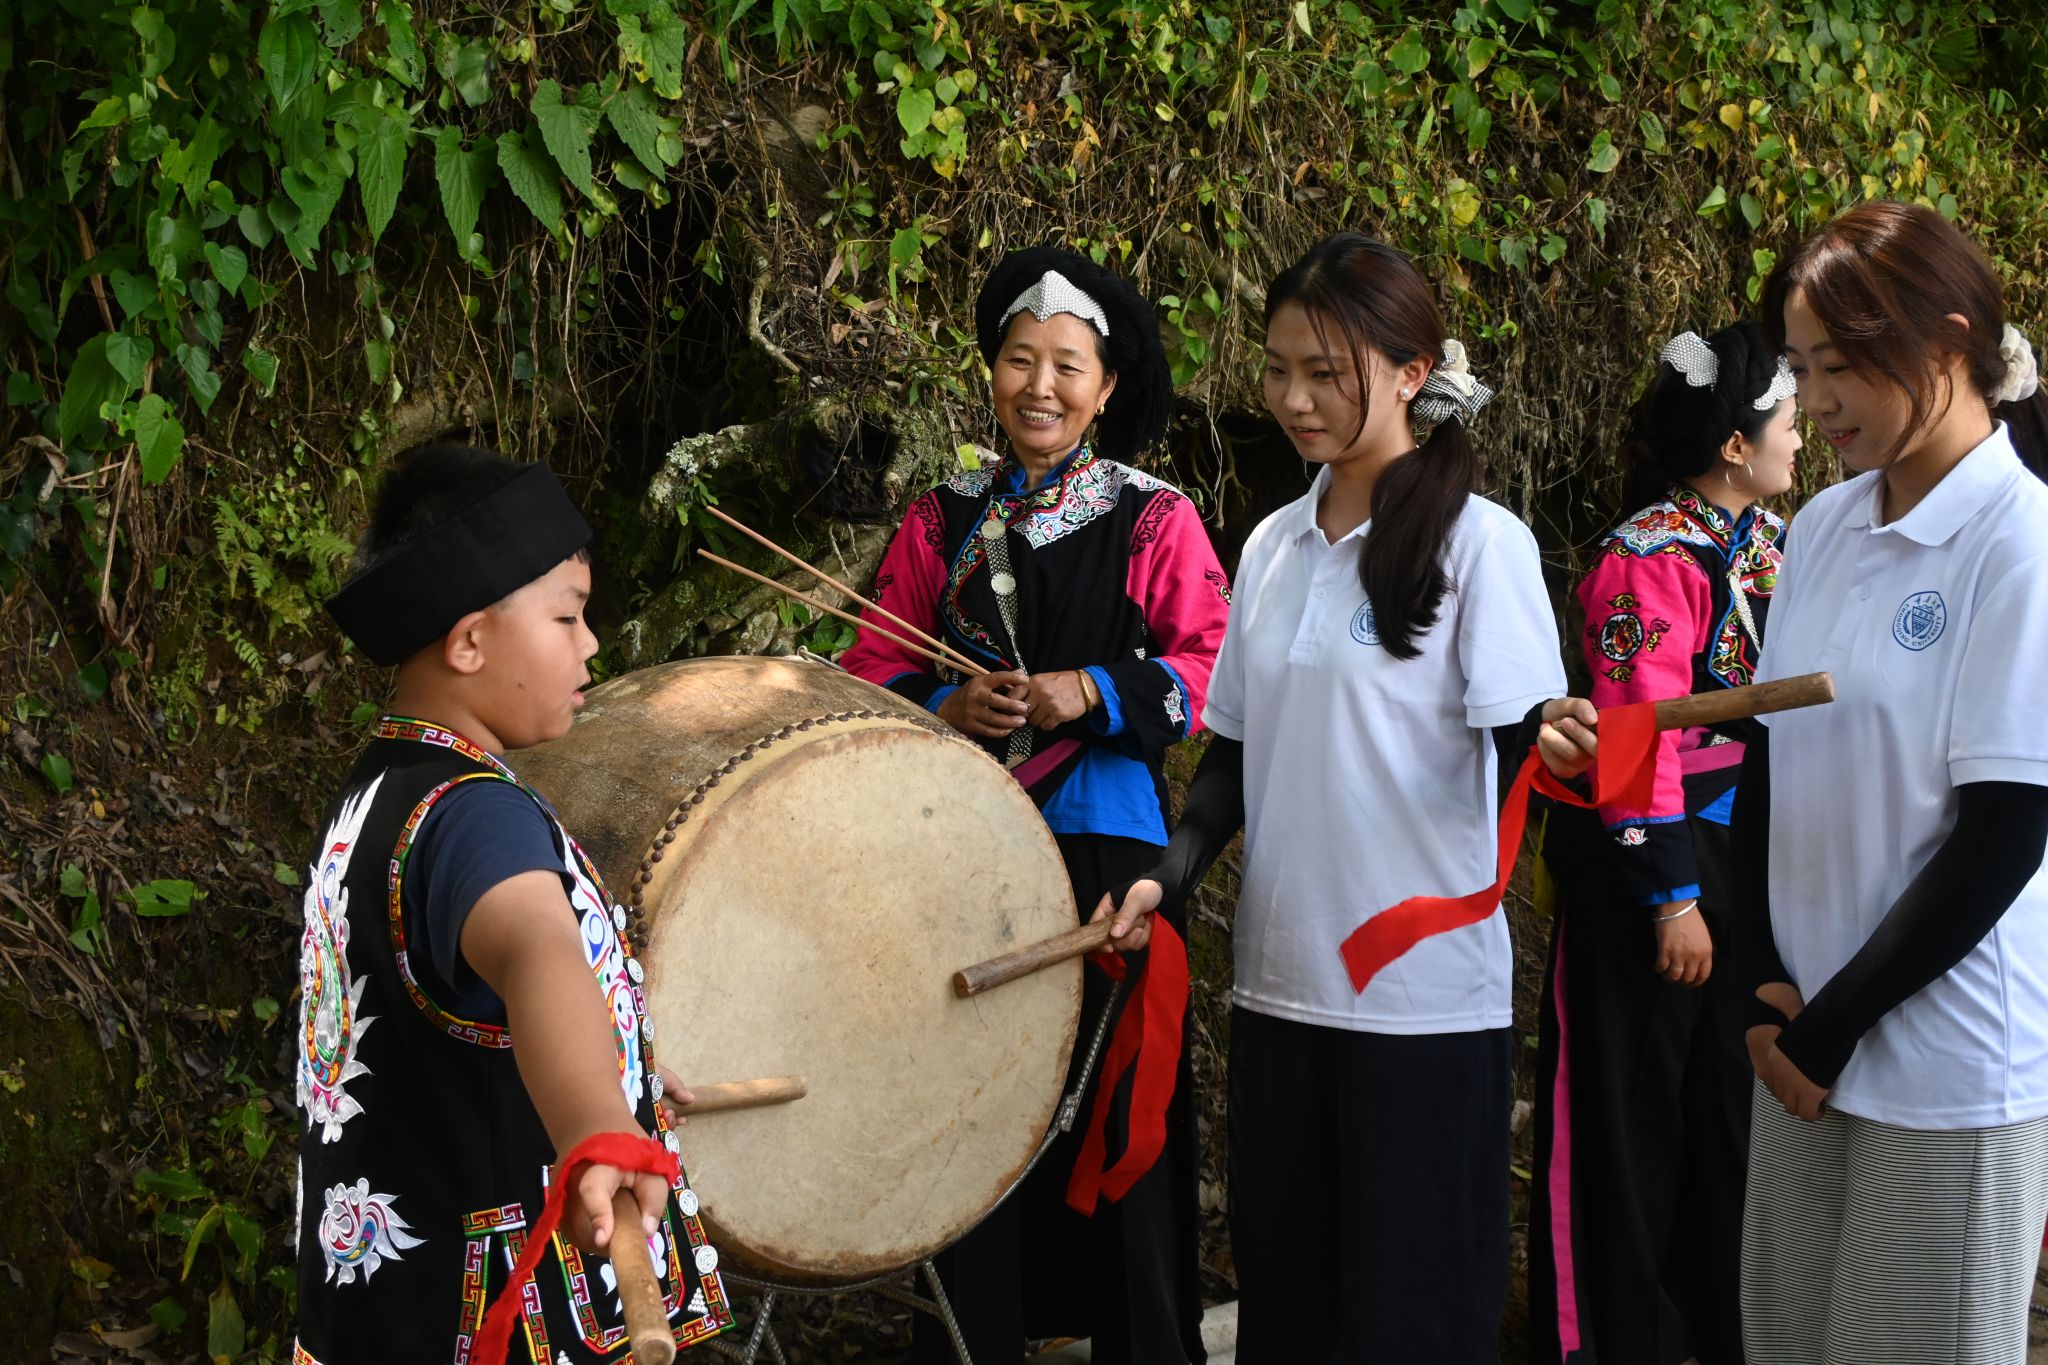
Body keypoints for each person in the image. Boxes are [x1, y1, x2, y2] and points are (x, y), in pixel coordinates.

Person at [1097, 232, 1598, 1364]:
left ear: (1411, 372)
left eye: (1326, 374)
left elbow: (1524, 732)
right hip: (1282, 989)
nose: (1294, 399)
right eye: (1279, 370)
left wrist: (1558, 742)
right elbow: (1232, 753)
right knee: (1292, 1313)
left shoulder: (1482, 544)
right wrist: (1169, 874)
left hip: (1420, 1005)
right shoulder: (1272, 546)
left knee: (1410, 1322)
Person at [840, 246, 1227, 1365]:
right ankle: (973, 1343)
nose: (1040, 386)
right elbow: (865, 667)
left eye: (1067, 365)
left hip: (1106, 845)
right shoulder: (941, 517)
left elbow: (1216, 670)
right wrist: (944, 702)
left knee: (1115, 1093)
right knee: (971, 1099)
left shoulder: (1153, 518)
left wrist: (1093, 690)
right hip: (961, 846)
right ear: (992, 371)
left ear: (1106, 389)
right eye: (1020, 359)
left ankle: (1142, 1344)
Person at [295, 444, 730, 1362]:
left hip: (379, 1317)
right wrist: (598, 1121)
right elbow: (537, 950)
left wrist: (618, 1066)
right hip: (495, 1319)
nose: (591, 643)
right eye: (567, 616)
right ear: (468, 642)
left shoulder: (378, 787)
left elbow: (466, 1015)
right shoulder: (476, 813)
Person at [1737, 200, 2048, 1365]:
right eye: (1799, 367)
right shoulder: (1821, 526)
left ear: (1947, 342)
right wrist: (1760, 988)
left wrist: (1828, 1033)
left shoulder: (2019, 542)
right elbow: (1768, 756)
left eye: (1840, 366)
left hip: (1942, 1072)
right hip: (1801, 1045)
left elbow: (2001, 835)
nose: (1813, 400)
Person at [1527, 322, 1799, 1365]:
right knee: (1626, 1113)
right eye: (1786, 418)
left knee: (1728, 1110)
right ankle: (1608, 1339)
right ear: (1734, 443)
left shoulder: (1780, 546)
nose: (1801, 437)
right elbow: (1634, 734)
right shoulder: (1643, 559)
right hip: (1646, 863)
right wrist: (1670, 894)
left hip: (1748, 862)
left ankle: (1729, 1330)